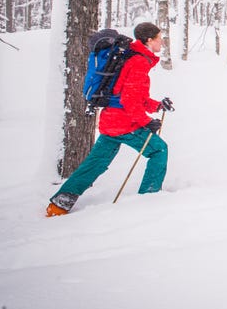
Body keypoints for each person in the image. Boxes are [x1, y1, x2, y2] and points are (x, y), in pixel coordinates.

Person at [46, 22, 175, 217]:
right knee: (159, 149)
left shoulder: (130, 56)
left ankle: (60, 203)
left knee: (96, 163)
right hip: (125, 123)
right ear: (149, 40)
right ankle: (149, 197)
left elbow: (130, 95)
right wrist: (145, 122)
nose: (162, 42)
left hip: (110, 121)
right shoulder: (138, 61)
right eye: (159, 38)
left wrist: (157, 105)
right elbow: (129, 99)